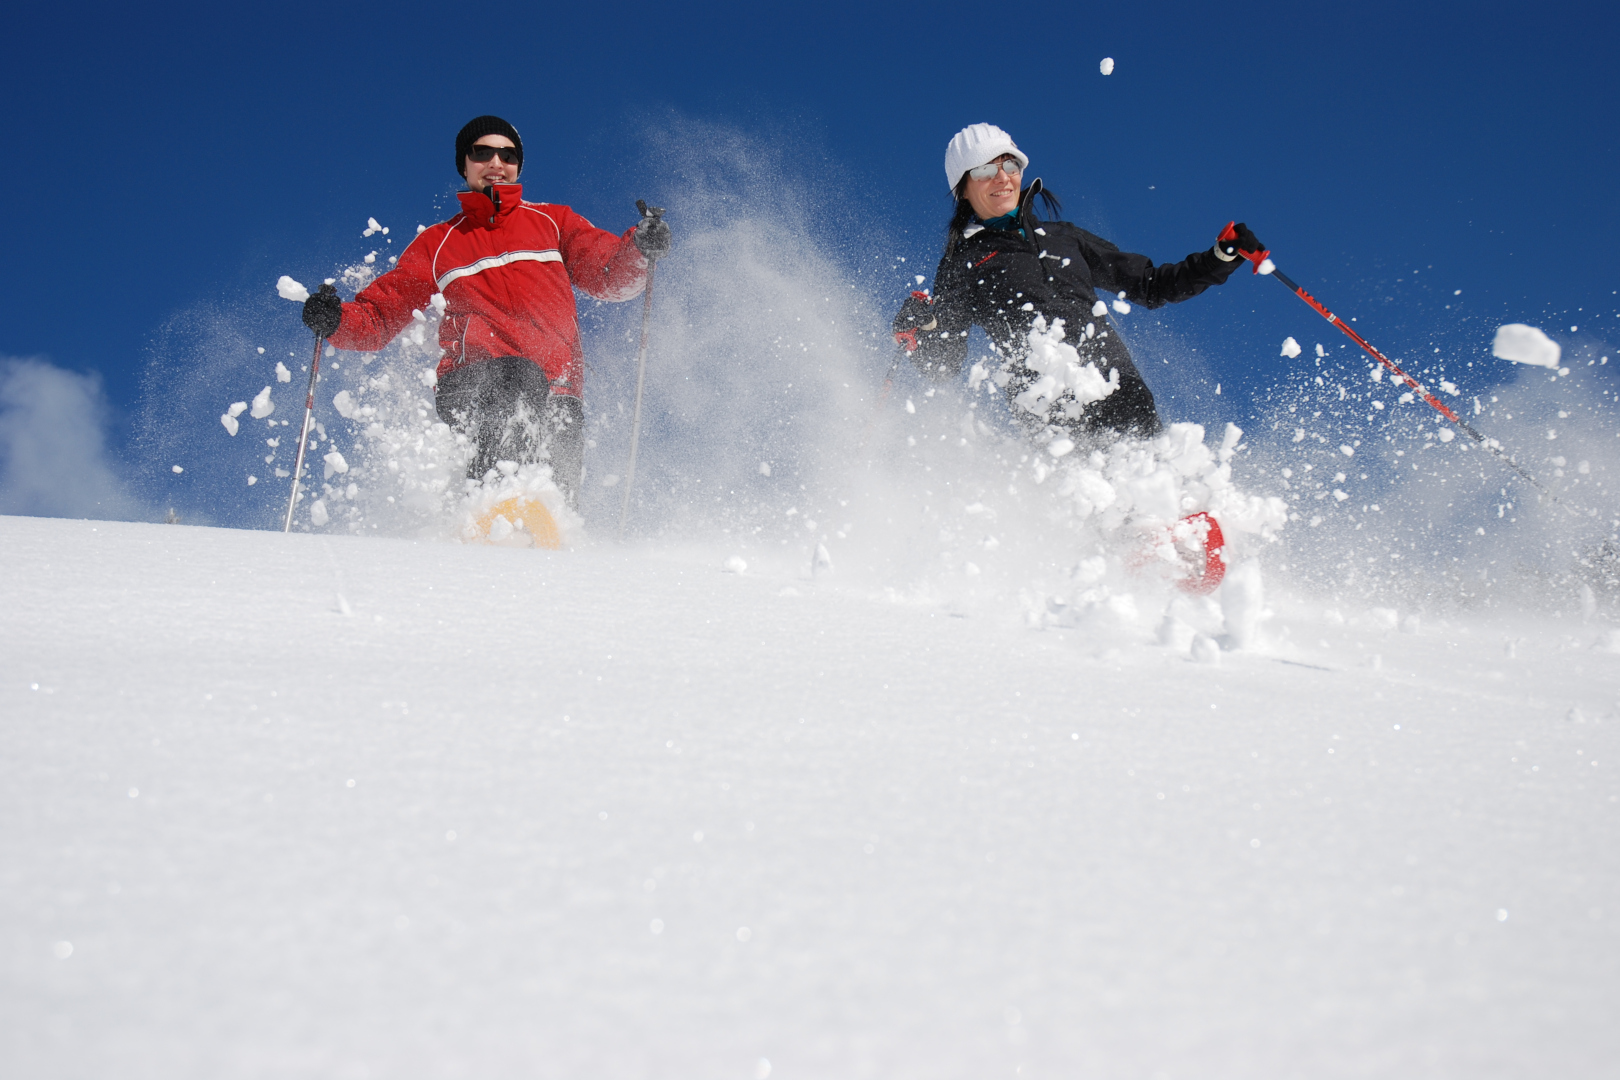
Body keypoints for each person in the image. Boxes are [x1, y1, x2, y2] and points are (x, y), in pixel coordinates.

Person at [301, 115, 672, 504]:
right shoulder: (438, 243)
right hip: (474, 382)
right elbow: (380, 316)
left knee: (557, 494)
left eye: (508, 155)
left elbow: (608, 274)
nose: (496, 163)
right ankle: (490, 510)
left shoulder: (554, 222)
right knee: (516, 382)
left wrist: (639, 249)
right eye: (482, 153)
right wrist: (337, 320)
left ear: (518, 167)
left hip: (558, 390)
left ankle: (542, 536)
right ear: (464, 165)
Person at [893, 123, 1262, 441]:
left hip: (1117, 384)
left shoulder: (1065, 237)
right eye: (985, 170)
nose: (1002, 178)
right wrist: (922, 330)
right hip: (1049, 403)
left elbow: (1150, 285)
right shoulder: (964, 262)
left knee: (1153, 481)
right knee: (1095, 489)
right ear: (962, 188)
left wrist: (1219, 257)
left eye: (1010, 164)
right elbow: (944, 362)